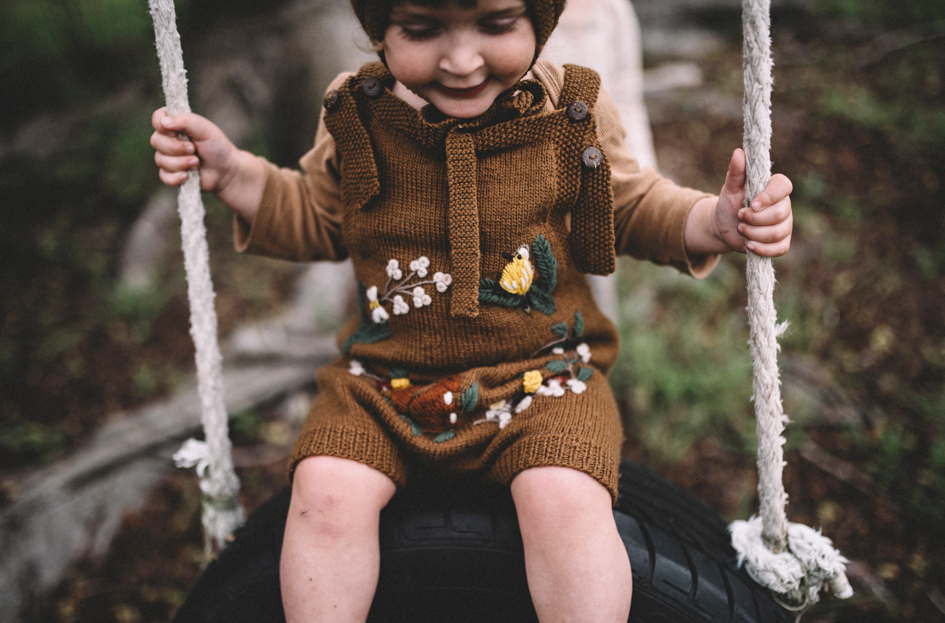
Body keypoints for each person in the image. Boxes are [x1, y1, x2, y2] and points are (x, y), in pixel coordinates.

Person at [150, 0, 793, 620]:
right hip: (384, 388)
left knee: (565, 499)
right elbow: (317, 216)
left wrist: (714, 221)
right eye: (423, 28)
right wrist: (234, 173)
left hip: (544, 380)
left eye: (495, 23)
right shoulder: (357, 112)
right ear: (380, 26)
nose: (461, 61)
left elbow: (632, 206)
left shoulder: (569, 111)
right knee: (323, 491)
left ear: (539, 17)